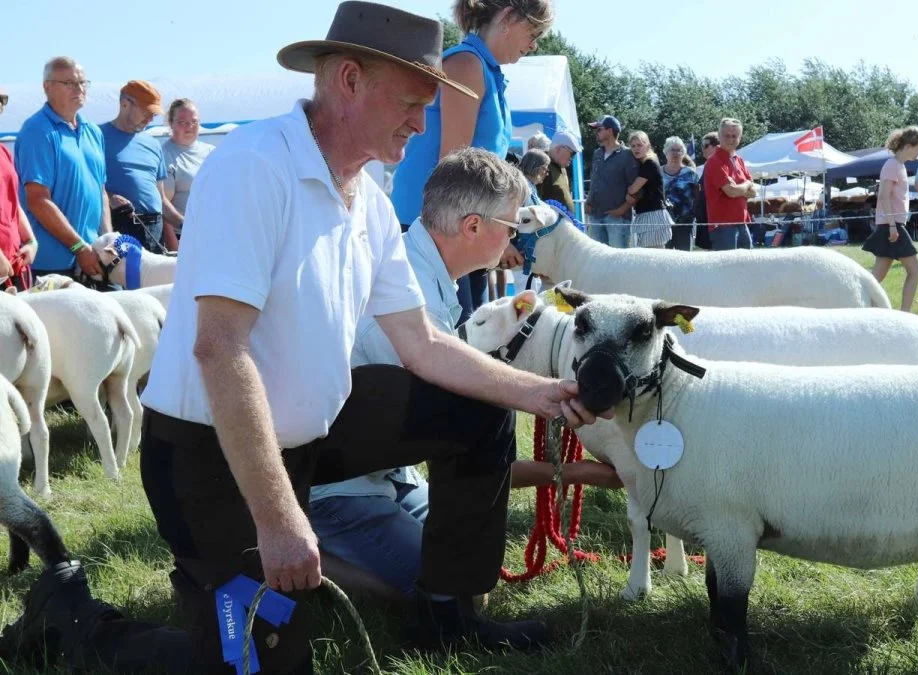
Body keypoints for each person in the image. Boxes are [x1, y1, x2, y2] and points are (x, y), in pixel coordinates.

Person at [0, 6, 607, 673]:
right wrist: (282, 522)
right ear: (348, 80)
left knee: (473, 408)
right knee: (253, 665)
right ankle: (77, 620)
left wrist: (542, 394)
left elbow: (424, 345)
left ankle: (448, 612)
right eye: (411, 102)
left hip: (314, 436)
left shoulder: (370, 201)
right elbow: (219, 349)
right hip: (209, 455)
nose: (420, 121)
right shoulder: (254, 167)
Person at [310, 148, 621, 603]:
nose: (516, 239)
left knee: (469, 569)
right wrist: (578, 468)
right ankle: (291, 562)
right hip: (338, 489)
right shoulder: (414, 296)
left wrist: (577, 470)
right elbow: (473, 453)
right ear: (473, 226)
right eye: (512, 227)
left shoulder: (417, 272)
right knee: (449, 590)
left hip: (385, 479)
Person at [391, 0, 553, 325]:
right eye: (533, 31)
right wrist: (501, 235)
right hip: (435, 231)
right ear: (507, 18)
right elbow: (455, 171)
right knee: (455, 342)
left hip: (463, 228)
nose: (533, 44)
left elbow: (487, 167)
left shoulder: (484, 70)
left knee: (468, 340)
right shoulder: (465, 65)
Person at [14, 56, 111, 280]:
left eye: (82, 82)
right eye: (69, 83)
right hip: (52, 265)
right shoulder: (37, 131)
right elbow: (38, 199)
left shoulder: (93, 132)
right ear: (47, 87)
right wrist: (79, 247)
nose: (79, 88)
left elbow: (100, 191)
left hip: (94, 257)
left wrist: (107, 240)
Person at [100, 80, 182, 253]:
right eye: (147, 111)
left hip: (155, 230)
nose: (151, 118)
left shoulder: (153, 144)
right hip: (119, 227)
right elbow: (87, 185)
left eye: (154, 114)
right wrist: (111, 197)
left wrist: (185, 224)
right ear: (124, 104)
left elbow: (160, 199)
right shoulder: (96, 136)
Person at [863, 126, 918, 312]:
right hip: (892, 225)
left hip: (892, 224)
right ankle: (905, 314)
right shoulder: (892, 165)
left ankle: (864, 307)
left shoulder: (898, 165)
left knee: (874, 278)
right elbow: (883, 196)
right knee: (915, 270)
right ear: (909, 145)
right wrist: (892, 226)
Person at [0, 83, 39, 290]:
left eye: (2, 100)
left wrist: (31, 241)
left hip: (14, 263)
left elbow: (13, 202)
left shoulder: (4, 151)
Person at [161, 98, 215, 236]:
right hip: (183, 235)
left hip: (214, 232)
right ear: (171, 123)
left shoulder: (212, 152)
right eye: (182, 122)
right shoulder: (163, 155)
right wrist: (173, 246)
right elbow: (162, 206)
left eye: (194, 121)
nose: (189, 126)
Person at [585, 114, 638, 248]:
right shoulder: (597, 153)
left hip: (618, 219)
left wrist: (622, 210)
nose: (596, 133)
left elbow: (636, 187)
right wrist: (588, 202)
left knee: (619, 262)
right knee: (596, 260)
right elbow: (594, 181)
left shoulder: (628, 155)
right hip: (595, 215)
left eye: (599, 129)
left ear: (610, 131)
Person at [704, 118, 757, 250]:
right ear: (719, 136)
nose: (731, 139)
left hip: (742, 222)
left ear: (740, 138)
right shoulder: (714, 161)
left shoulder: (739, 160)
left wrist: (740, 187)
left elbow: (754, 192)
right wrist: (746, 184)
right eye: (727, 135)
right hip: (723, 226)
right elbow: (731, 191)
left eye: (734, 136)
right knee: (726, 269)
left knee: (747, 268)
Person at [625, 130, 671, 248]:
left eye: (639, 145)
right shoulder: (643, 164)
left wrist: (628, 191)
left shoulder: (649, 163)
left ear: (648, 146)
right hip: (646, 214)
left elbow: (633, 189)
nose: (636, 149)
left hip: (653, 214)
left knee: (655, 256)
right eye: (633, 146)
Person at [661, 135, 699, 250]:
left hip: (685, 223)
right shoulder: (657, 172)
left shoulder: (691, 174)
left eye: (679, 150)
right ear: (666, 152)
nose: (676, 153)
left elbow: (698, 197)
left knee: (684, 260)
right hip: (663, 223)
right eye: (672, 150)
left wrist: (693, 215)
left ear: (683, 153)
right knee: (663, 259)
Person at [538, 130, 578, 212]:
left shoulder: (561, 167)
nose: (572, 158)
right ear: (559, 149)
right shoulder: (542, 165)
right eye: (572, 153)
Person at [692, 131, 719, 250]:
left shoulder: (718, 164)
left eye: (705, 145)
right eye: (702, 146)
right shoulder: (708, 164)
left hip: (715, 219)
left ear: (717, 146)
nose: (702, 149)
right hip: (705, 218)